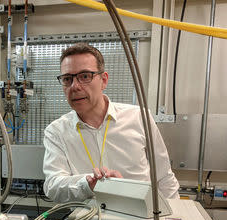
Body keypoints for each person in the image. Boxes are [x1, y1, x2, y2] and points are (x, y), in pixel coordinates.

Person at [43, 43, 179, 203]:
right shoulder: (57, 131)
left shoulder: (139, 117)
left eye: (85, 76)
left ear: (104, 80)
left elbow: (164, 178)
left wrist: (170, 219)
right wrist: (86, 184)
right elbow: (52, 186)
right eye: (67, 79)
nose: (75, 86)